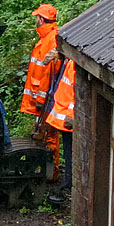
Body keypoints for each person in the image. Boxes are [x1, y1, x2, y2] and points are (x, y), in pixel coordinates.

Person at [21, 3, 62, 169]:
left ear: (41, 19)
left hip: (45, 100)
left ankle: (50, 173)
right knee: (41, 133)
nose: (35, 19)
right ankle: (44, 170)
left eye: (37, 17)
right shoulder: (45, 38)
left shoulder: (51, 40)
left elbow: (48, 74)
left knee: (49, 134)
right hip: (41, 99)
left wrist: (41, 98)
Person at [43, 57, 76, 206]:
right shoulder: (71, 62)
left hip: (69, 119)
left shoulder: (73, 64)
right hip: (67, 118)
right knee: (69, 153)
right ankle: (70, 180)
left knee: (71, 153)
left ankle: (70, 182)